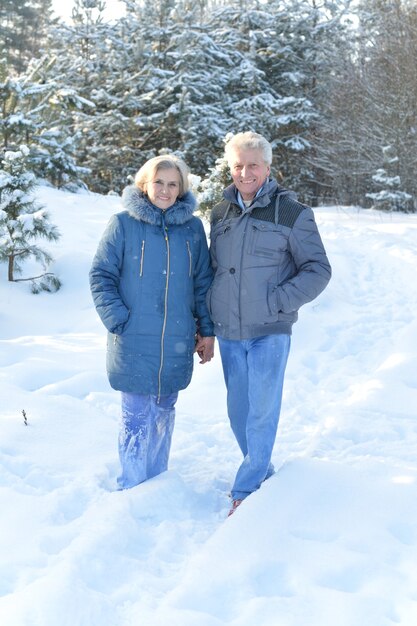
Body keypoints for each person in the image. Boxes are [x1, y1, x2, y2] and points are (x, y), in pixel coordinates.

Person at [207, 132, 331, 516]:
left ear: (267, 168)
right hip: (229, 332)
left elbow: (318, 269)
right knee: (238, 413)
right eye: (238, 166)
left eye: (253, 165)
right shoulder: (220, 213)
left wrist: (278, 301)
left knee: (262, 410)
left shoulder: (292, 212)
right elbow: (214, 270)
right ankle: (261, 467)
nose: (245, 173)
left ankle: (246, 489)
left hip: (269, 332)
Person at [90, 155, 214, 490]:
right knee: (136, 413)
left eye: (173, 184)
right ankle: (132, 483)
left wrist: (206, 331)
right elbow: (101, 275)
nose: (165, 190)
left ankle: (157, 481)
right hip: (133, 338)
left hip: (176, 337)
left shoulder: (191, 229)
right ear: (145, 183)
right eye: (159, 182)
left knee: (164, 409)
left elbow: (202, 283)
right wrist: (119, 321)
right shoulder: (123, 224)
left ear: (181, 188)